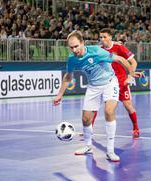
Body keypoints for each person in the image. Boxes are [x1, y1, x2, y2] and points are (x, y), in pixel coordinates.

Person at [53, 30, 134, 162]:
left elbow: (120, 59)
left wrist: (130, 74)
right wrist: (59, 95)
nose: (74, 50)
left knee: (109, 111)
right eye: (71, 47)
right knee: (85, 119)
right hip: (93, 86)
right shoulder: (72, 59)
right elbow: (68, 76)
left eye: (76, 46)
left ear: (82, 43)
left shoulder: (96, 51)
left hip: (109, 82)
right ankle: (88, 146)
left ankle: (110, 151)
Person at [99, 28, 140, 138]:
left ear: (110, 37)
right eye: (101, 37)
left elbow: (133, 62)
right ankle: (88, 131)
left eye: (105, 37)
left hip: (122, 82)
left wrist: (130, 77)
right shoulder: (100, 50)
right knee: (106, 108)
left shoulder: (119, 47)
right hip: (108, 83)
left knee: (128, 106)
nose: (102, 39)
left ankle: (136, 128)